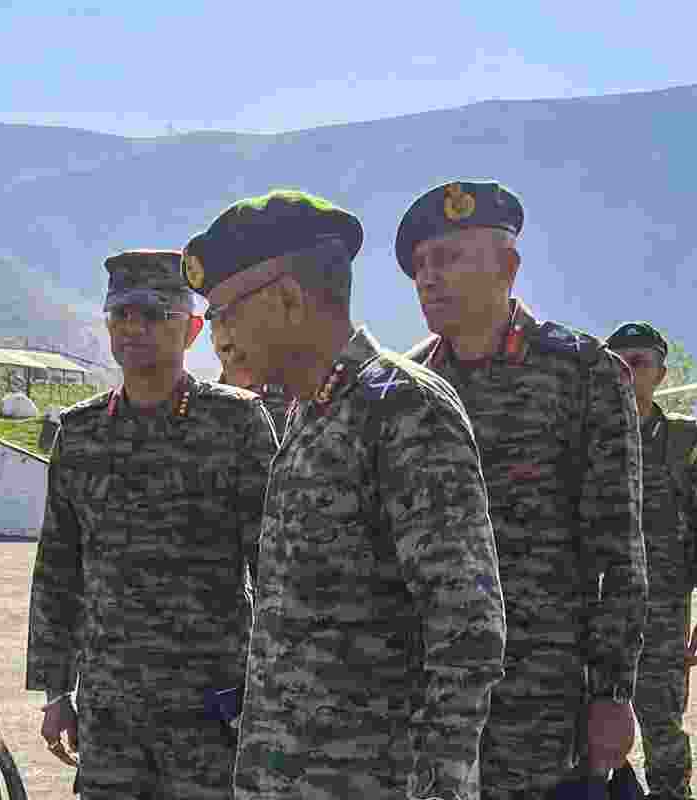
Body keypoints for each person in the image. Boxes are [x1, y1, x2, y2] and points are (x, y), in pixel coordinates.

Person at [183, 189, 507, 798]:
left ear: (288, 298)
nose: (216, 339)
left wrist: (441, 781)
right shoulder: (314, 412)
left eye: (227, 312)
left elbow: (467, 626)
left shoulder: (402, 407)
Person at [395, 180, 647, 798]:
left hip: (542, 692)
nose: (430, 278)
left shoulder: (583, 373)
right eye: (420, 265)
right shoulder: (407, 388)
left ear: (507, 267)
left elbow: (617, 549)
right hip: (429, 691)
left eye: (450, 258)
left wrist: (613, 694)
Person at [27, 249, 277, 799]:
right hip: (111, 713)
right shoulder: (82, 432)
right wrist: (53, 691)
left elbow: (273, 568)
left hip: (210, 712)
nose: (133, 327)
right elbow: (58, 569)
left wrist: (273, 695)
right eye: (120, 314)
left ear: (190, 330)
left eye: (153, 314)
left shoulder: (236, 424)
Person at [606, 321, 697, 800]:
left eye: (638, 363)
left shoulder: (688, 445)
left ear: (660, 374)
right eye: (616, 363)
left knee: (662, 730)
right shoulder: (584, 439)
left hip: (659, 615)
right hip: (589, 610)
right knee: (579, 733)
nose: (626, 372)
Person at [212, 322, 292, 433]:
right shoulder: (206, 404)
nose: (234, 355)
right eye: (227, 348)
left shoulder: (295, 399)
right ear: (213, 341)